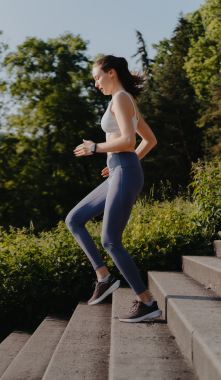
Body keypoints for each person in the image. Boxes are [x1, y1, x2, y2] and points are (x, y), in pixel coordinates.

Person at [66, 55, 161, 323]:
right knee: (74, 219)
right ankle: (104, 277)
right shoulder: (124, 100)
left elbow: (129, 141)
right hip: (120, 172)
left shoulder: (121, 98)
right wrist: (120, 163)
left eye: (97, 77)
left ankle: (147, 303)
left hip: (125, 173)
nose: (96, 83)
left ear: (111, 73)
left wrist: (95, 148)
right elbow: (149, 140)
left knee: (110, 241)